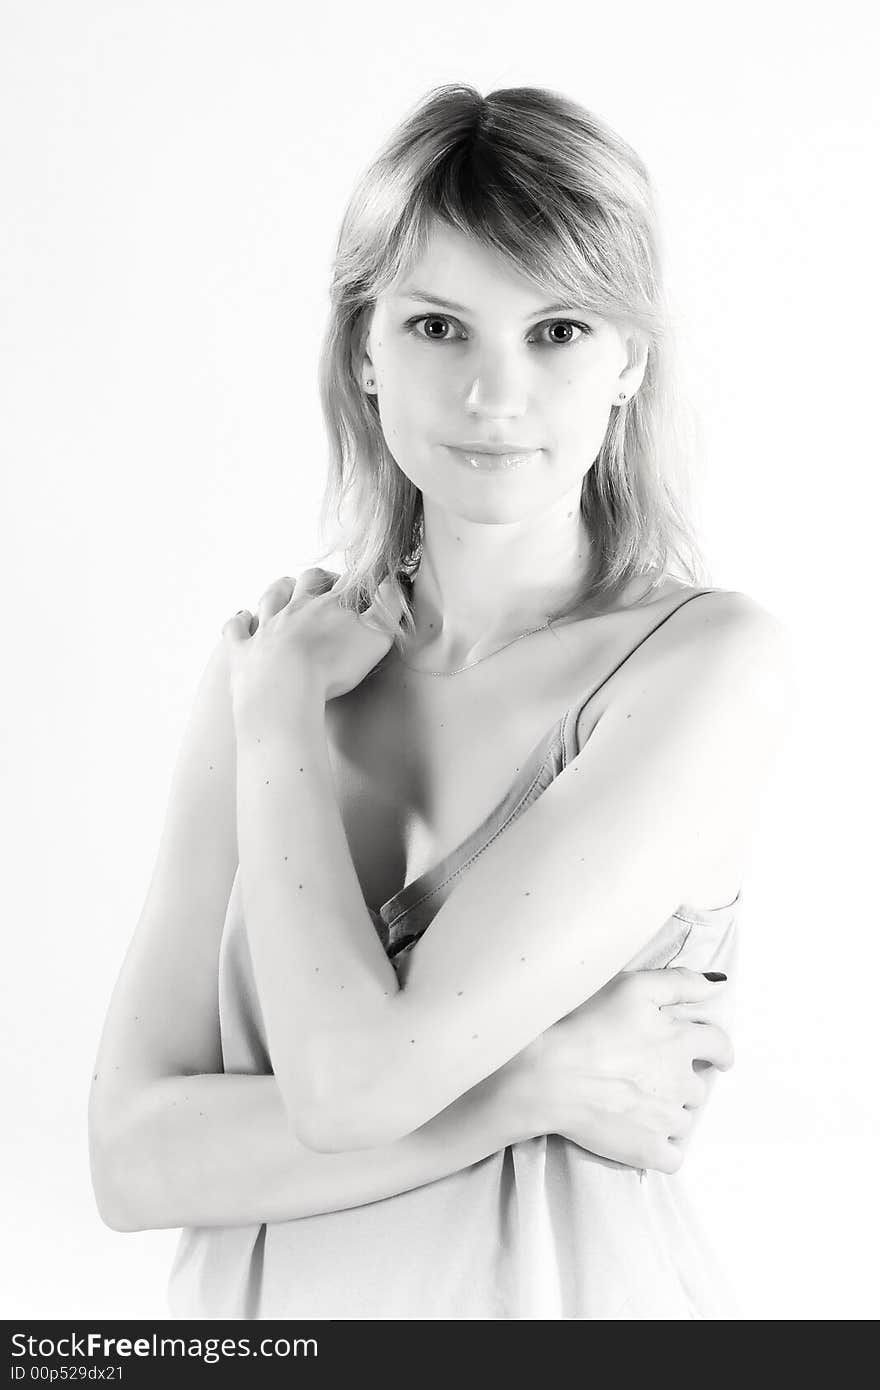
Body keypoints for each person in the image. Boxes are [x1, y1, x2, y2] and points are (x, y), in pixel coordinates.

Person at [88, 84, 792, 1320]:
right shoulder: (268, 677)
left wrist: (281, 739)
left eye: (559, 328)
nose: (494, 394)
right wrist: (532, 1085)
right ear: (364, 348)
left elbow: (353, 1089)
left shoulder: (702, 665)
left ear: (630, 355)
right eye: (436, 327)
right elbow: (129, 1159)